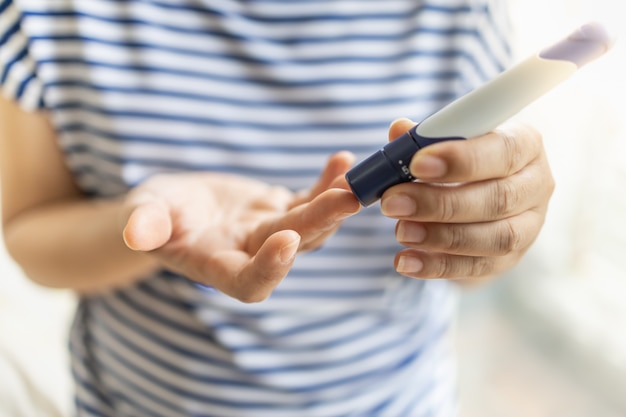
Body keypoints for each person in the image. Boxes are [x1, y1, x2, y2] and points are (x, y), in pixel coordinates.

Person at [0, 1, 554, 416]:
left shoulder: (458, 14)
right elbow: (29, 234)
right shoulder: (47, 16)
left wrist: (496, 230)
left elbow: (471, 271)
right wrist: (142, 227)